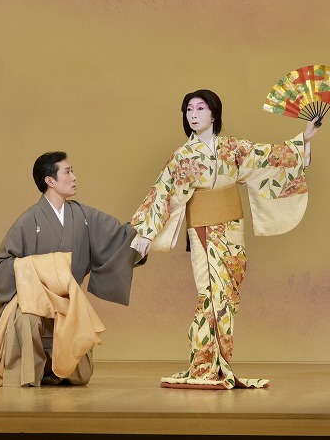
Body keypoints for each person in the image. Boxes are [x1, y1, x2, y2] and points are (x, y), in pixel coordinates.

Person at [131, 89, 319, 390]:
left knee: (228, 292)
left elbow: (269, 157)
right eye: (189, 109)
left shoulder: (233, 148)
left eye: (200, 108)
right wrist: (146, 232)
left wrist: (304, 139)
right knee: (210, 292)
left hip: (232, 226)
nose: (193, 114)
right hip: (203, 227)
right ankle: (203, 362)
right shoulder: (182, 156)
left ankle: (219, 363)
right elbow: (163, 193)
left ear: (213, 113)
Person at [0, 151, 141, 388]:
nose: (74, 177)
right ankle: (31, 373)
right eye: (67, 172)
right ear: (50, 180)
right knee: (26, 317)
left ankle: (51, 371)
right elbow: (1, 264)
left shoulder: (83, 216)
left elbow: (117, 236)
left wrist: (147, 230)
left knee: (80, 376)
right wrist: (43, 269)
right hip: (32, 300)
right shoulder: (29, 220)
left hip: (66, 301)